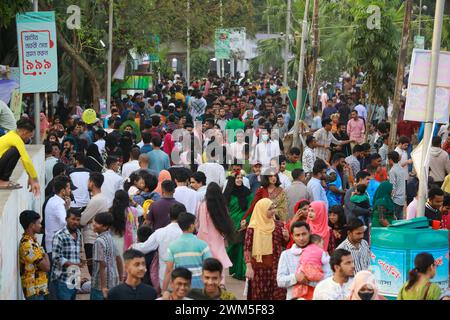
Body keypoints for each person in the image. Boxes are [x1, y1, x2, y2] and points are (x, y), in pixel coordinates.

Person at [244, 198, 289, 300]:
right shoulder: (252, 228)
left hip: (275, 267)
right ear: (261, 210)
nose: (273, 211)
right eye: (269, 209)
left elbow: (282, 243)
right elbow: (247, 248)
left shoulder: (278, 225)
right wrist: (249, 266)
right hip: (259, 270)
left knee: (278, 295)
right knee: (259, 296)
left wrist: (286, 237)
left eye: (273, 208)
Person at [133, 203, 184, 290]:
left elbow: (144, 248)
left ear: (169, 215)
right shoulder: (187, 234)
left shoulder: (160, 232)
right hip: (184, 277)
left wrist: (133, 245)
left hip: (164, 276)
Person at [162, 213, 212, 292]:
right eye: (195, 223)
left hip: (180, 286)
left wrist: (163, 290)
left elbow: (168, 270)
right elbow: (210, 266)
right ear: (192, 226)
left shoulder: (172, 246)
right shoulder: (203, 245)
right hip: (199, 286)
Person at [196, 182, 235, 278]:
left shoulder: (203, 205)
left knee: (206, 261)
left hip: (205, 236)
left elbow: (201, 224)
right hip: (218, 235)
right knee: (219, 259)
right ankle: (221, 282)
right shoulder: (222, 206)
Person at [223, 170, 254, 280]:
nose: (239, 180)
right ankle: (235, 270)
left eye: (241, 178)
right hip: (232, 224)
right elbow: (225, 209)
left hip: (244, 223)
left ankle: (241, 272)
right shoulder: (228, 193)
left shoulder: (247, 192)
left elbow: (251, 208)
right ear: (233, 180)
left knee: (242, 247)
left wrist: (246, 220)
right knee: (233, 248)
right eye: (237, 178)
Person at [50, 209, 84, 300]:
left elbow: (72, 253)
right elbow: (56, 258)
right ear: (66, 219)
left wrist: (79, 260)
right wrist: (74, 264)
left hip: (74, 277)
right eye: (73, 219)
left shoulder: (78, 233)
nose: (75, 222)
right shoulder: (59, 235)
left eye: (78, 220)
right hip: (62, 278)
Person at [0, 119, 40, 195]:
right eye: (30, 135)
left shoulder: (12, 134)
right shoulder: (17, 140)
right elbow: (26, 160)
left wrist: (30, 176)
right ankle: (3, 180)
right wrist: (35, 179)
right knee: (16, 151)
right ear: (25, 132)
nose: (29, 138)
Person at [80, 172, 109, 275]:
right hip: (94, 236)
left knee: (94, 271)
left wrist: (87, 218)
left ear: (92, 183)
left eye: (88, 181)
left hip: (92, 237)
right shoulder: (101, 198)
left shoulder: (96, 200)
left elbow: (82, 221)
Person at [91, 212, 124, 300]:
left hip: (100, 284)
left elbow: (103, 265)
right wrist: (121, 278)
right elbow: (119, 259)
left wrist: (103, 287)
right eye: (94, 221)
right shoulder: (110, 238)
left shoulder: (99, 241)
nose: (94, 224)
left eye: (97, 223)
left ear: (105, 226)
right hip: (113, 281)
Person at [19, 210, 50, 300]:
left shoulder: (32, 241)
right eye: (39, 223)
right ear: (32, 225)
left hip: (39, 289)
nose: (40, 225)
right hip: (34, 291)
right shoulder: (27, 245)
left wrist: (44, 256)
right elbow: (46, 267)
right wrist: (46, 256)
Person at [292, 234, 331, 299]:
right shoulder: (322, 251)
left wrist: (294, 245)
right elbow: (324, 261)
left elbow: (294, 251)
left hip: (304, 269)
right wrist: (328, 256)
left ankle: (299, 294)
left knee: (299, 278)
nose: (323, 246)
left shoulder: (304, 249)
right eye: (322, 244)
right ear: (317, 243)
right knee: (321, 280)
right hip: (315, 271)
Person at [44, 176, 71, 255]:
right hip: (56, 246)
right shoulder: (58, 204)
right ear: (63, 191)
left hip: (52, 243)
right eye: (68, 188)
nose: (70, 191)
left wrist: (66, 208)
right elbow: (65, 222)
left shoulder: (53, 200)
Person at [109, 190, 140, 256]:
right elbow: (142, 211)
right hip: (129, 239)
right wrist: (133, 202)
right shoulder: (131, 210)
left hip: (114, 239)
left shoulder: (111, 211)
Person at [388, 151, 407, 220]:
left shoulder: (392, 171)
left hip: (395, 200)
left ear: (390, 160)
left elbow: (393, 186)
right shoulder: (401, 169)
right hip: (402, 200)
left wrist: (390, 199)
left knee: (394, 221)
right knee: (400, 221)